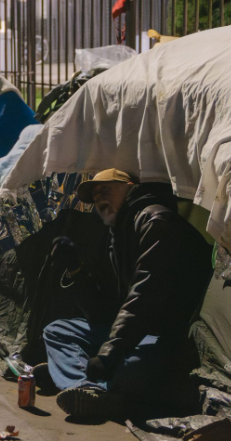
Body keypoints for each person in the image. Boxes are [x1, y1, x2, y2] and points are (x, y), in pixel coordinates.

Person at [42, 168, 213, 419]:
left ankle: (74, 379)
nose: (100, 200)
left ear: (130, 187)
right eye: (95, 197)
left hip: (166, 336)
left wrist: (108, 354)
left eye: (105, 190)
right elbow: (109, 310)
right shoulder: (118, 236)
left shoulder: (155, 222)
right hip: (137, 332)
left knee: (129, 368)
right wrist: (75, 271)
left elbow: (144, 298)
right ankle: (87, 388)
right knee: (57, 331)